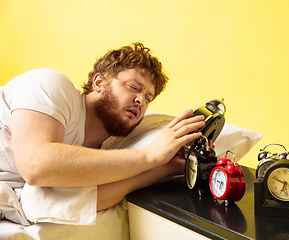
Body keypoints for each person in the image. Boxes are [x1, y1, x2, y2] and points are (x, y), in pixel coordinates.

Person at [0, 42, 205, 212]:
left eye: (148, 97)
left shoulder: (100, 157)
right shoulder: (51, 84)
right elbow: (37, 165)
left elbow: (82, 203)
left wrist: (164, 168)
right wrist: (149, 156)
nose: (141, 100)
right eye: (134, 87)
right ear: (99, 82)